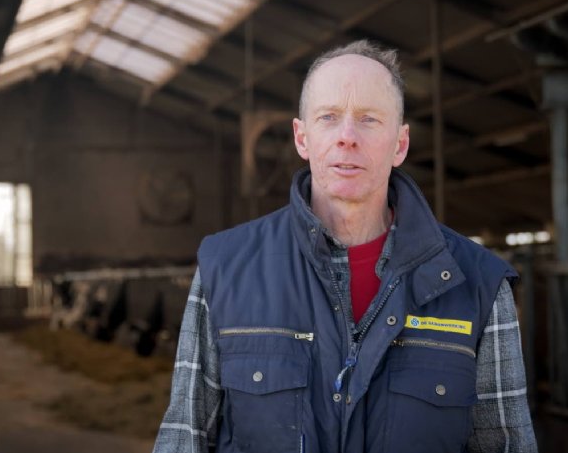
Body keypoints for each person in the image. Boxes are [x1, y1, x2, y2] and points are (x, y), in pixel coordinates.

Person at [153, 40, 537, 453]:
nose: (347, 137)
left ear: (400, 144)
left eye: (369, 119)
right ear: (302, 137)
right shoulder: (225, 268)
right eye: (329, 117)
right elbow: (183, 437)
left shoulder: (476, 283)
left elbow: (507, 445)